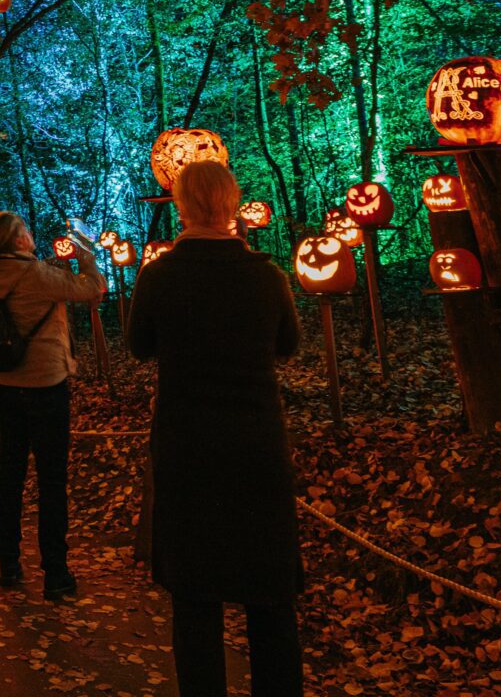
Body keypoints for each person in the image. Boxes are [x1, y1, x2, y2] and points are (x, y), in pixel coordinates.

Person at [125, 161, 303, 697]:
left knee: (195, 594)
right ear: (231, 205)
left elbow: (139, 347)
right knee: (270, 595)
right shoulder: (266, 275)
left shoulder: (159, 276)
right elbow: (288, 345)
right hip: (257, 445)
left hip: (188, 445)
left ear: (180, 206)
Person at [0, 211, 105, 601]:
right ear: (16, 240)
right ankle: (55, 571)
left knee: (10, 472)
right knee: (51, 480)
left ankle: (9, 563)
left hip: (4, 383)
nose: (31, 235)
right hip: (45, 384)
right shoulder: (36, 275)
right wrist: (85, 253)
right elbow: (93, 288)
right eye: (25, 232)